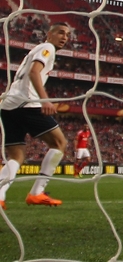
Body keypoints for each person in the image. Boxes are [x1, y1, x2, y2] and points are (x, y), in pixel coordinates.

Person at [0, 22, 71, 209]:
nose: (64, 37)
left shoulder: (35, 50)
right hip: (27, 103)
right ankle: (37, 192)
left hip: (9, 105)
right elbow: (34, 72)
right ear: (49, 34)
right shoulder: (47, 47)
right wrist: (45, 100)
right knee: (59, 143)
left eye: (67, 35)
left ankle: (0, 194)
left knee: (16, 155)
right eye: (61, 33)